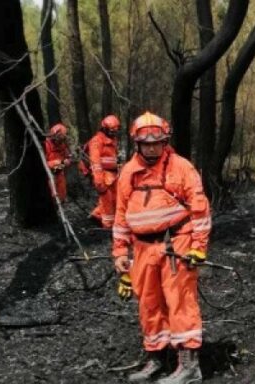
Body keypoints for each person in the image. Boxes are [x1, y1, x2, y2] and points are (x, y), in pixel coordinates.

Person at [112, 111, 211, 384]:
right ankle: (157, 358)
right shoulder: (129, 173)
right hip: (142, 248)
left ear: (165, 141)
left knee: (180, 302)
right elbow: (120, 215)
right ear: (138, 143)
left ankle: (189, 366)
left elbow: (200, 209)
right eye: (147, 143)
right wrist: (120, 253)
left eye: (158, 142)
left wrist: (198, 247)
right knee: (148, 304)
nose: (153, 147)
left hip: (175, 244)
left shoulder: (181, 168)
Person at [89, 114, 121, 228]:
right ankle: (108, 226)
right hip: (104, 176)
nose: (114, 133)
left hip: (113, 175)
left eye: (115, 131)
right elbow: (95, 163)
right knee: (107, 203)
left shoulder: (113, 140)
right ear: (105, 128)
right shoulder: (96, 141)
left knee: (115, 199)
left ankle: (96, 216)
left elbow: (114, 158)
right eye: (112, 131)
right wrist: (99, 181)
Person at [44, 123, 71, 201]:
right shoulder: (46, 145)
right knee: (51, 186)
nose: (60, 140)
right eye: (59, 137)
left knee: (61, 183)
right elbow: (43, 163)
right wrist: (57, 162)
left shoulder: (63, 145)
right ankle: (53, 201)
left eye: (62, 138)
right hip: (48, 171)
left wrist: (67, 161)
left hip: (59, 169)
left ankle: (61, 201)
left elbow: (67, 156)